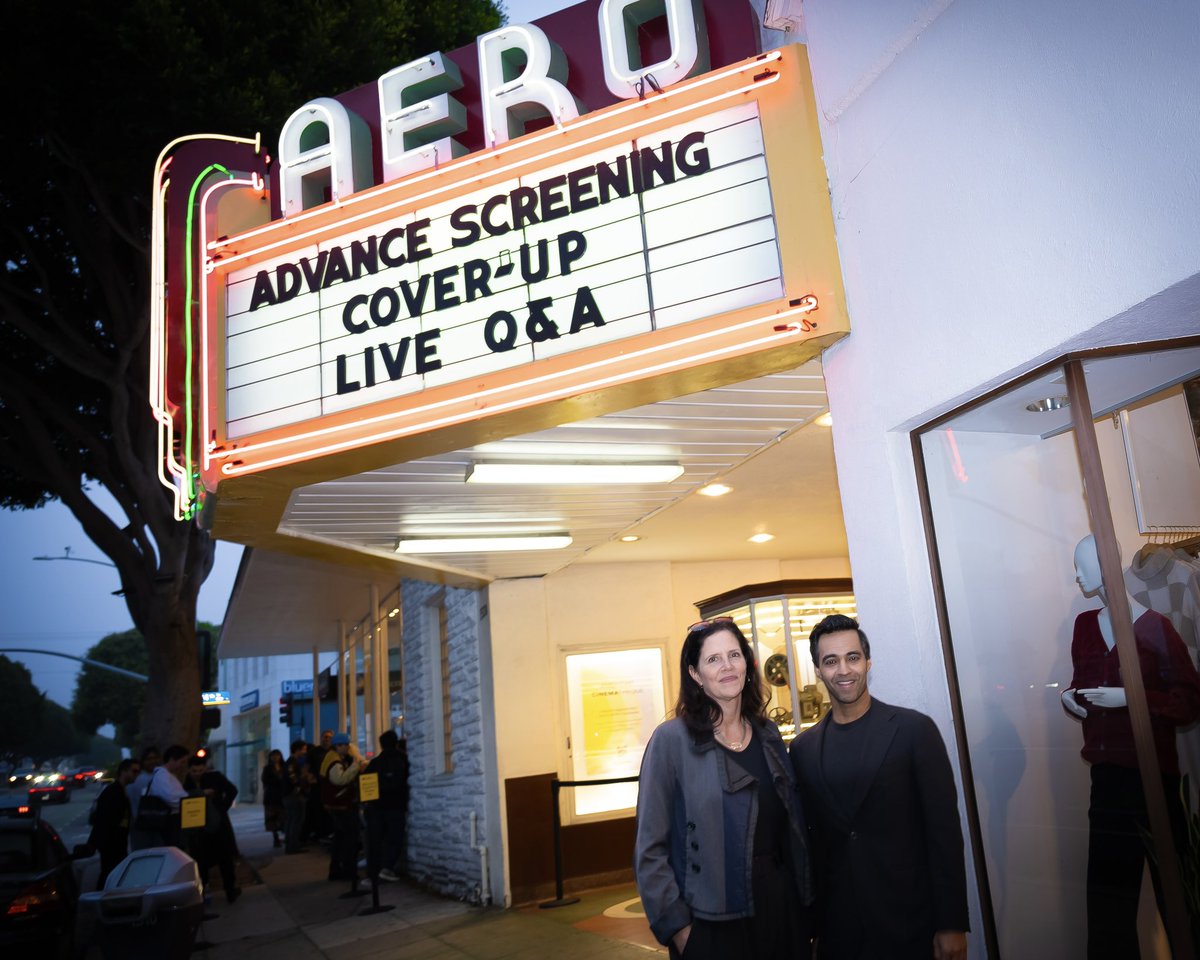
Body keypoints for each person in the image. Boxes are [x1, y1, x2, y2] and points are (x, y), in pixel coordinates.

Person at [790, 614, 969, 960]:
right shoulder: (803, 749)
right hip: (840, 931)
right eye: (831, 661)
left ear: (868, 662)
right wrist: (813, 929)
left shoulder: (914, 731)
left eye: (852, 657)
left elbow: (944, 834)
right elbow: (811, 848)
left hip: (912, 925)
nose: (844, 670)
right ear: (817, 670)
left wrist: (951, 924)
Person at [634, 617, 813, 959]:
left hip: (780, 913)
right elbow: (650, 851)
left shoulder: (768, 734)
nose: (727, 666)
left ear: (748, 664)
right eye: (713, 659)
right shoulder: (671, 742)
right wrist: (682, 932)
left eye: (734, 655)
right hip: (711, 922)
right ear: (696, 675)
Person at [1061, 534, 1200, 959]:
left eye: (1082, 564)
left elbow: (1189, 699)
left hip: (1154, 778)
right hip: (1107, 781)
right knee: (1107, 906)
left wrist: (1132, 698)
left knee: (1176, 894)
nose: (1077, 574)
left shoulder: (1156, 628)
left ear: (1105, 565)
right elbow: (1082, 679)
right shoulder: (1085, 625)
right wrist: (1071, 695)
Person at [184, 753, 242, 904]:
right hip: (198, 828)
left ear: (205, 768)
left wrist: (222, 808)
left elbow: (232, 790)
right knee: (201, 861)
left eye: (200, 770)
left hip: (218, 825)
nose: (197, 774)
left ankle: (230, 889)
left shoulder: (215, 777)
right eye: (194, 771)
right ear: (189, 770)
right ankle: (204, 891)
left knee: (225, 860)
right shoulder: (185, 783)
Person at [364, 730, 409, 881]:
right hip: (396, 805)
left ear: (381, 744)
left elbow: (366, 782)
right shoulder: (403, 759)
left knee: (376, 839)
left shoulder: (375, 762)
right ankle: (387, 867)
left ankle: (373, 872)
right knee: (395, 838)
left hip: (377, 806)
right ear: (396, 743)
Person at [320, 732, 365, 883]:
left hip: (335, 805)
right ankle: (348, 871)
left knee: (340, 840)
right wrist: (355, 766)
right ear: (339, 746)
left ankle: (336, 870)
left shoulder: (331, 758)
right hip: (341, 806)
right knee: (349, 839)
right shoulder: (335, 761)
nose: (348, 749)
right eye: (346, 745)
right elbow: (340, 780)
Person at [88, 757, 138, 888]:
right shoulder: (113, 792)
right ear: (123, 771)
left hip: (116, 842)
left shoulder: (120, 790)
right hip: (111, 842)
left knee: (113, 874)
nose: (136, 775)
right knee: (109, 874)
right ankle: (101, 900)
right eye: (134, 771)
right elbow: (105, 819)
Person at [141, 744, 191, 847]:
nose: (183, 765)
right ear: (172, 759)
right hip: (170, 821)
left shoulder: (168, 775)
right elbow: (172, 798)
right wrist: (188, 800)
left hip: (172, 820)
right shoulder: (162, 776)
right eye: (182, 762)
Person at [126, 746, 160, 851]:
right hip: (142, 825)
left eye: (155, 758)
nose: (152, 761)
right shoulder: (137, 780)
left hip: (154, 825)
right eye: (148, 759)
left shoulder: (161, 776)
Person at [283, 740, 312, 853]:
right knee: (296, 820)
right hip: (293, 796)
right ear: (297, 750)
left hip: (290, 795)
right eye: (303, 749)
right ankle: (293, 847)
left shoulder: (292, 762)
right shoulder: (292, 763)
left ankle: (291, 846)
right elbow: (292, 778)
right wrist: (300, 784)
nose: (305, 752)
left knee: (291, 821)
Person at [306, 730, 335, 841]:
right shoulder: (314, 752)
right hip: (318, 786)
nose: (327, 739)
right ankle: (321, 834)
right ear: (321, 738)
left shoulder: (334, 750)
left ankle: (330, 832)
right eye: (325, 737)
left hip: (332, 785)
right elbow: (307, 768)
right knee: (319, 811)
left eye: (329, 737)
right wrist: (309, 779)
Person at [261, 749, 286, 848]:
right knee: (272, 818)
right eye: (273, 756)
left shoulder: (284, 767)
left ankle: (284, 836)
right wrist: (277, 779)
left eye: (277, 755)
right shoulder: (267, 768)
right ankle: (275, 838)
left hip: (282, 795)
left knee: (283, 817)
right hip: (271, 796)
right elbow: (265, 780)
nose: (275, 757)